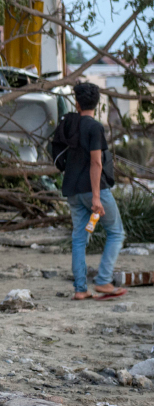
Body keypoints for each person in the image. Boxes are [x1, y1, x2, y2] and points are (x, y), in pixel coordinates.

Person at [59, 82, 127, 301]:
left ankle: (80, 289)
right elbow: (96, 164)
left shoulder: (69, 124)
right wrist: (97, 197)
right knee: (116, 233)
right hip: (93, 191)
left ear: (77, 103)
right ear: (97, 105)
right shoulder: (94, 127)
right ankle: (103, 281)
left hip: (72, 191)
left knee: (79, 238)